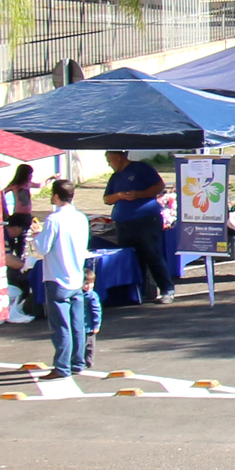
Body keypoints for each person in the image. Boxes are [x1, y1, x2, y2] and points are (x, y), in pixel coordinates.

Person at [28, 179, 91, 377]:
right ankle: (78, 362)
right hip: (76, 275)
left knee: (61, 326)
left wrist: (37, 235)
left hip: (57, 276)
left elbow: (42, 248)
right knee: (77, 324)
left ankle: (62, 366)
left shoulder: (53, 220)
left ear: (56, 196)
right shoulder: (81, 218)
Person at [100, 149, 173, 303]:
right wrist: (119, 195)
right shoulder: (115, 177)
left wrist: (138, 194)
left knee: (152, 254)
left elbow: (159, 186)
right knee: (131, 258)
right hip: (123, 223)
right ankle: (137, 293)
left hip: (146, 220)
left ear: (118, 158)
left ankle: (167, 289)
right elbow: (107, 199)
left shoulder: (141, 168)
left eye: (110, 160)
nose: (109, 164)